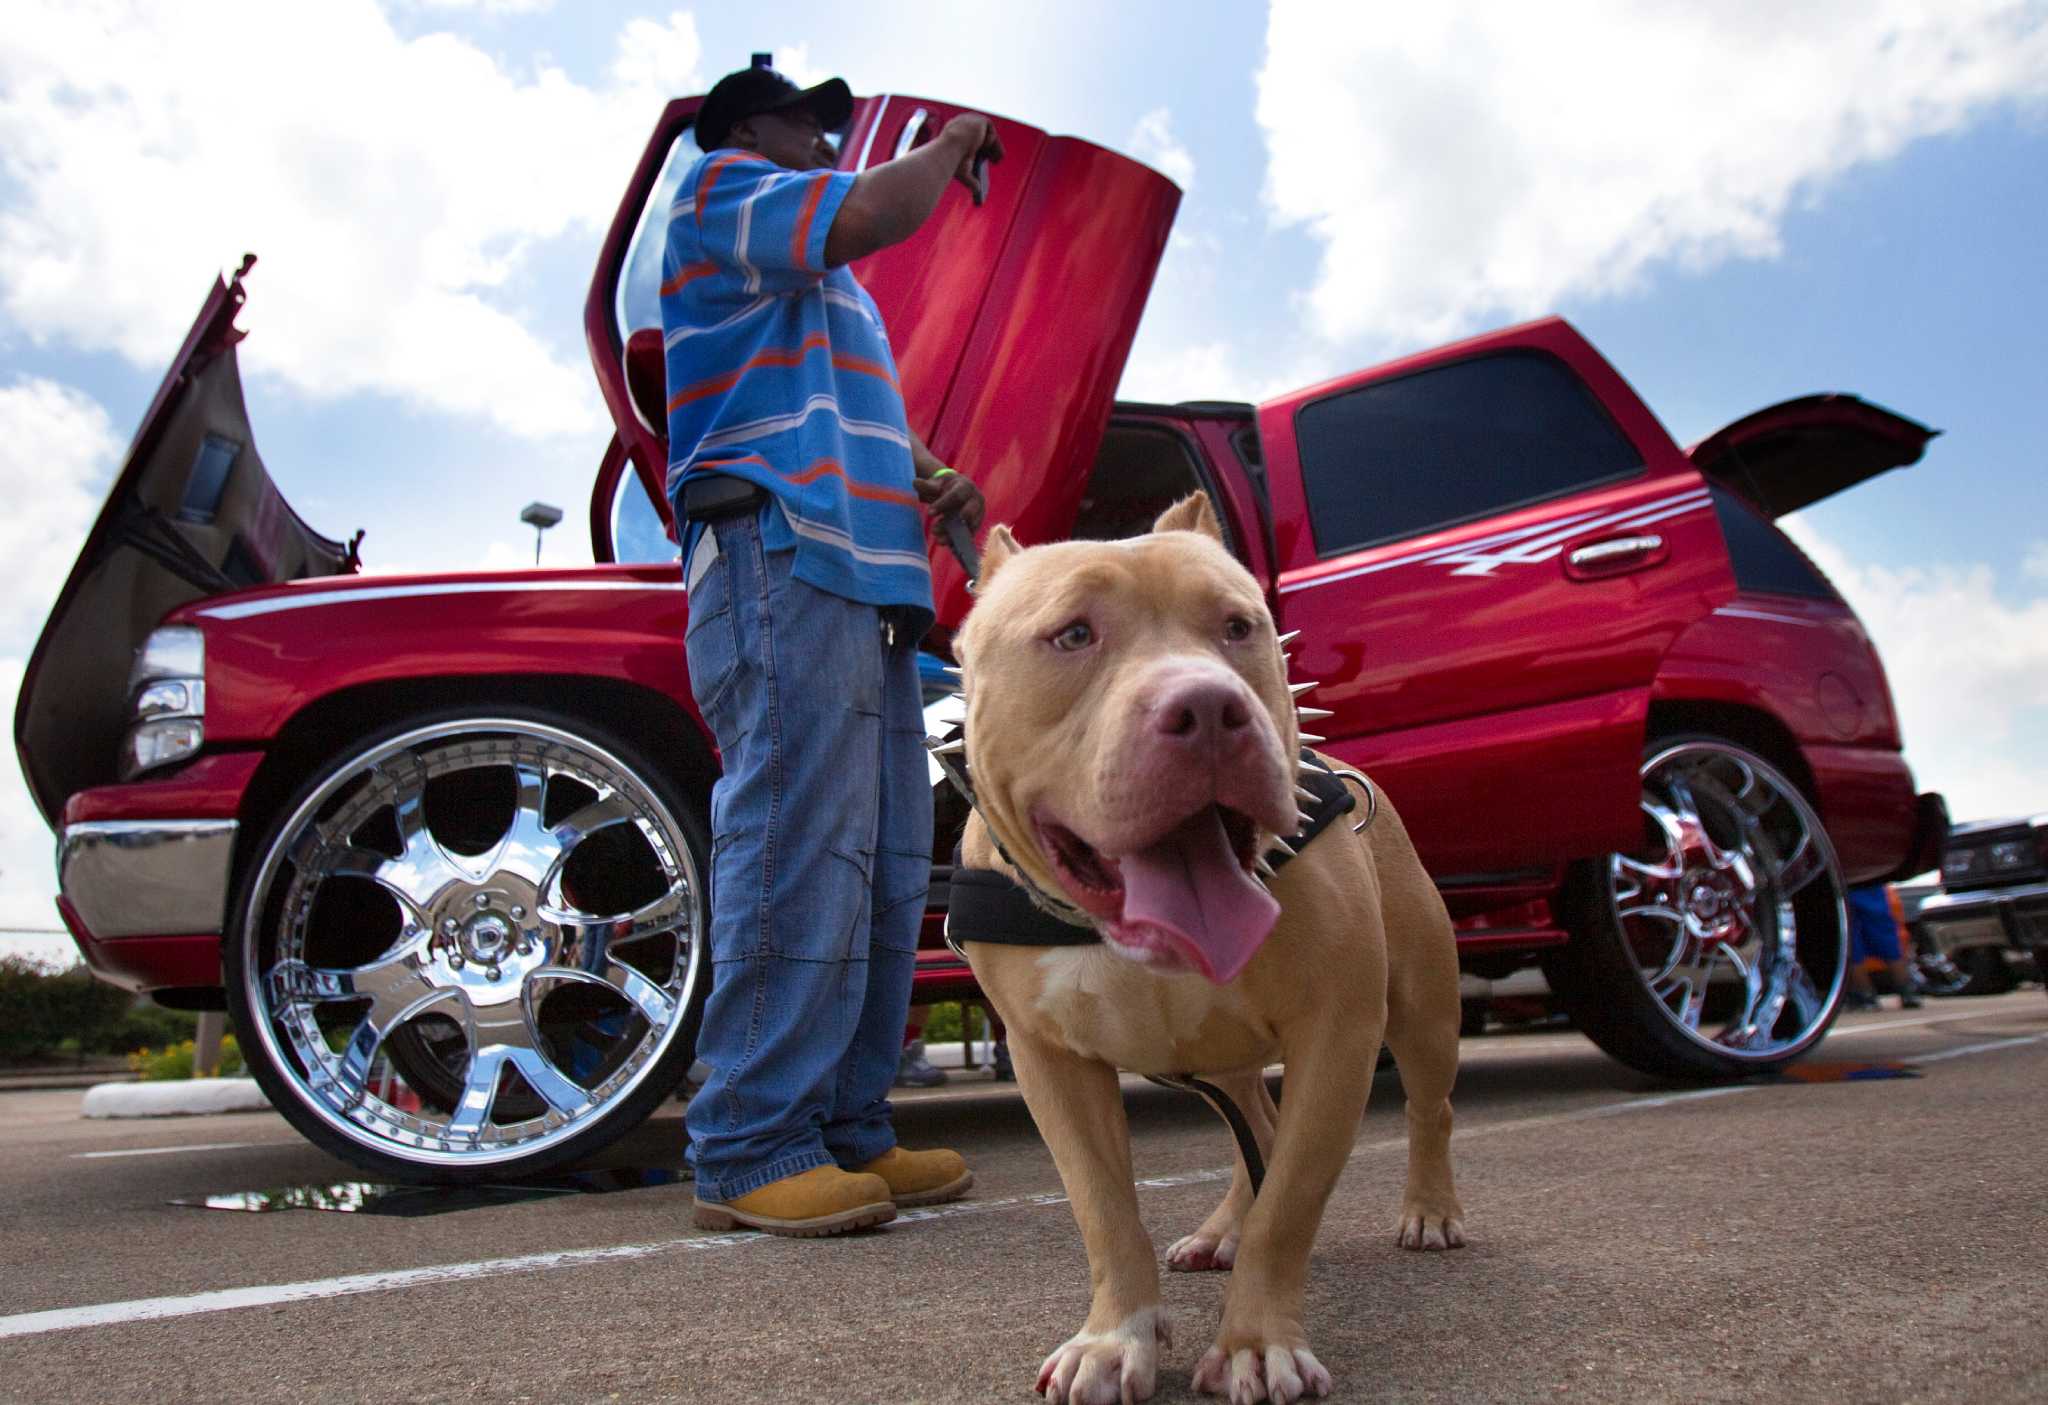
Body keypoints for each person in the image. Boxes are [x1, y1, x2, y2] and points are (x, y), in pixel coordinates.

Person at [662, 57, 996, 1237]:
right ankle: (750, 1142)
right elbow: (873, 207)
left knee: (879, 861)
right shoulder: (721, 190)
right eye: (811, 123)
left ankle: (847, 1126)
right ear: (751, 125)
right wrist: (951, 142)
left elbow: (849, 416)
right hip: (778, 554)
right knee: (799, 836)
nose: (825, 144)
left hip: (863, 584)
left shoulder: (815, 290)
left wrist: (932, 481)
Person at [1844, 882, 1923, 1011]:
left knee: (1850, 939)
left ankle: (1864, 995)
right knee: (1884, 936)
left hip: (1843, 878)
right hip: (1868, 878)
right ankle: (1907, 991)